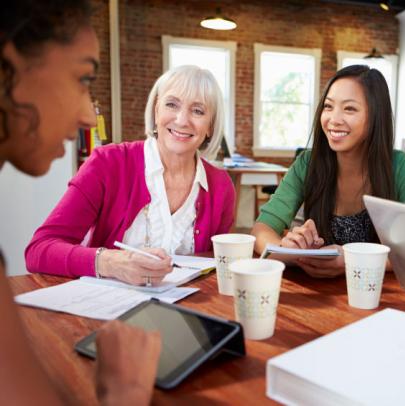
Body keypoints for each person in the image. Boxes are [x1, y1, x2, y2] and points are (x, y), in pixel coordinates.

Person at [0, 1, 161, 404]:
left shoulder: (218, 186)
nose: (90, 116)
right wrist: (124, 391)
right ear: (10, 66)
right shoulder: (112, 161)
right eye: (83, 79)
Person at [25, 64, 235, 286]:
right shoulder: (107, 163)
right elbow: (39, 250)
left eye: (198, 111)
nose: (182, 120)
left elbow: (216, 268)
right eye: (171, 104)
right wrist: (110, 262)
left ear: (210, 126)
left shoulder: (221, 186)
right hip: (103, 311)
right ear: (156, 111)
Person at [252, 65, 405, 278]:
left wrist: (354, 260)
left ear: (375, 116)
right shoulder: (308, 163)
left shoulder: (402, 168)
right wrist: (290, 250)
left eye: (349, 109)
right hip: (321, 297)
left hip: (381, 297)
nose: (333, 119)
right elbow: (261, 230)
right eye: (328, 107)